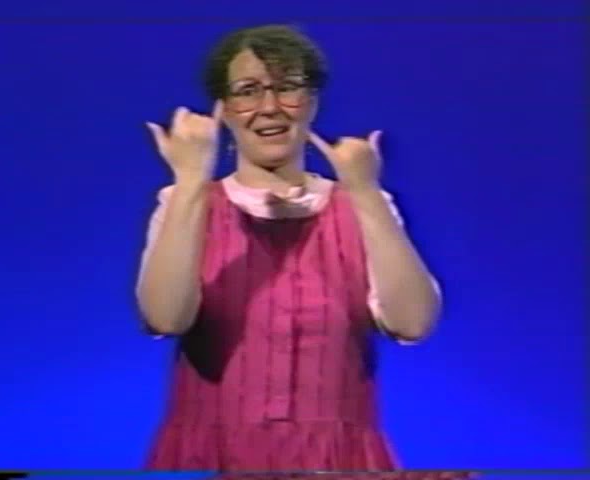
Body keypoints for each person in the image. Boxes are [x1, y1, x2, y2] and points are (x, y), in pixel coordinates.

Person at [137, 24, 468, 478]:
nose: (269, 106)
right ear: (224, 110)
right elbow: (164, 318)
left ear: (312, 101)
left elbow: (413, 323)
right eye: (248, 91)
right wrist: (192, 178)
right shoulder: (184, 203)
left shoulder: (364, 205)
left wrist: (365, 192)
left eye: (288, 87)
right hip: (211, 455)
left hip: (339, 460)